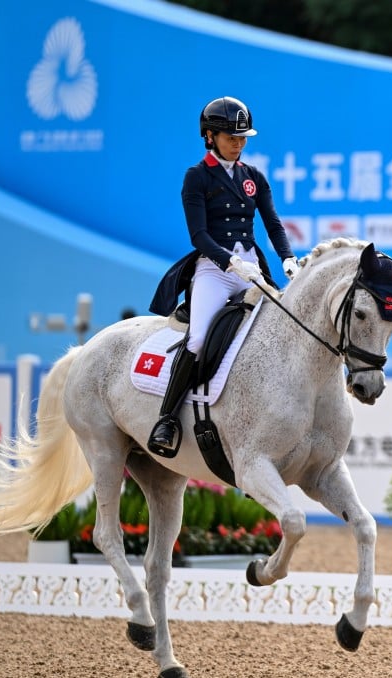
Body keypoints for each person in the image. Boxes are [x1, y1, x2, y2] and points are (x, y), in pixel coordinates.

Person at [146, 96, 299, 456]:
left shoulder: (253, 177)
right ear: (210, 136)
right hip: (216, 270)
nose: (239, 143)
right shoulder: (197, 177)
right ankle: (166, 420)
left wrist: (288, 258)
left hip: (252, 268)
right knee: (198, 339)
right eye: (232, 137)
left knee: (282, 329)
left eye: (243, 137)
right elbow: (198, 235)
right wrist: (231, 263)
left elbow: (272, 223)